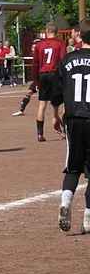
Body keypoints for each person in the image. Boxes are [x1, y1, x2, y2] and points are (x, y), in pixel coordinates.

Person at [51, 30, 90, 233]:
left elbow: (56, 91)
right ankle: (88, 217)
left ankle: (66, 202)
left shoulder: (67, 60)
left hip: (73, 118)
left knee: (73, 167)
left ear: (80, 38)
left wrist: (55, 115)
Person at [32, 23, 67, 142]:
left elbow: (35, 63)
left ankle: (39, 134)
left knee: (42, 105)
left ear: (46, 31)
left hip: (43, 75)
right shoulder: (60, 43)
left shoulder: (39, 45)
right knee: (56, 105)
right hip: (55, 74)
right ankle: (57, 122)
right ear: (56, 32)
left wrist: (35, 80)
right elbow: (63, 60)